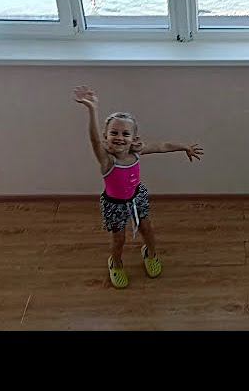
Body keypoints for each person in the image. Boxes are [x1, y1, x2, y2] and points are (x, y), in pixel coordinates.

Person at [73, 85, 204, 288]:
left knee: (147, 230)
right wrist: (92, 109)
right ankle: (116, 263)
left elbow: (162, 146)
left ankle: (150, 253)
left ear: (133, 139)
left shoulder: (136, 152)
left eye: (125, 134)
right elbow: (93, 140)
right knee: (119, 239)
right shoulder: (107, 161)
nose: (119, 137)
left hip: (137, 197)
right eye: (114, 133)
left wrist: (184, 147)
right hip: (114, 204)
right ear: (106, 137)